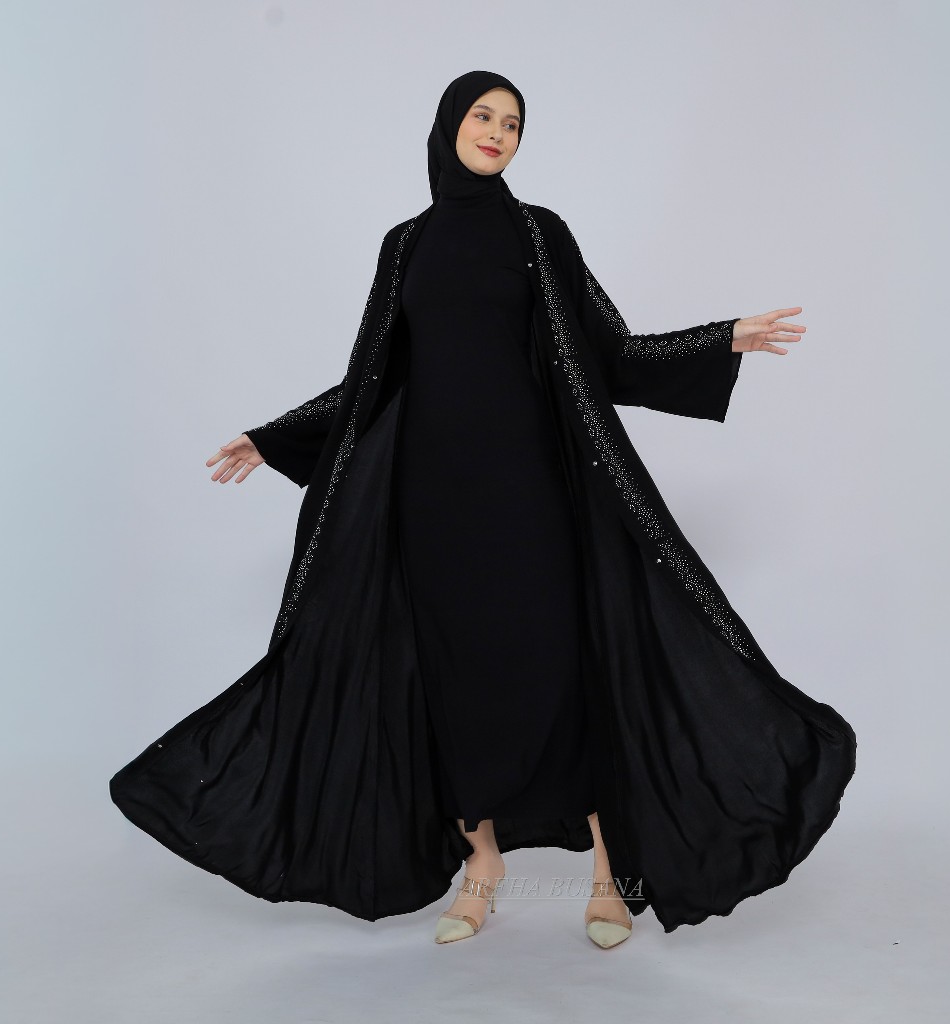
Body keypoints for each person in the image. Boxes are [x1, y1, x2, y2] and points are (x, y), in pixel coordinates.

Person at [111, 71, 856, 951]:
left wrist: (719, 338)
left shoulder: (539, 234)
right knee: (456, 678)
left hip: (532, 494)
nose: (497, 132)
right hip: (434, 504)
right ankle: (483, 865)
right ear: (448, 125)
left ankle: (610, 874)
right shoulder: (405, 245)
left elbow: (609, 354)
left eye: (512, 123)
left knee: (563, 671)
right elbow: (372, 377)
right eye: (483, 116)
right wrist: (274, 438)